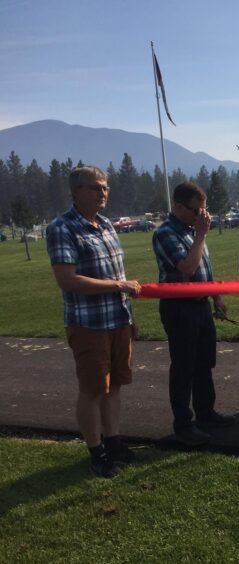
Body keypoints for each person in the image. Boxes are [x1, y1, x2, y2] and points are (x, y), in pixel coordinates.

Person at [46, 166, 141, 478]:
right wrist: (118, 287)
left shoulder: (106, 225)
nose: (103, 193)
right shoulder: (63, 227)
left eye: (105, 187)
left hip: (118, 321)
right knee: (92, 390)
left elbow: (117, 276)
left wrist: (127, 308)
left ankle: (113, 443)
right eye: (95, 188)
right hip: (89, 326)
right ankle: (95, 451)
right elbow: (67, 279)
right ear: (76, 192)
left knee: (114, 388)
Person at [152, 181, 235, 446]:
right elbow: (187, 267)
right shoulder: (166, 233)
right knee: (184, 367)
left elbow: (204, 268)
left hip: (200, 305)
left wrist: (216, 296)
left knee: (204, 363)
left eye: (205, 210)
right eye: (197, 210)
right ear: (178, 207)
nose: (203, 216)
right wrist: (201, 235)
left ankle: (205, 413)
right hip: (179, 308)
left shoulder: (193, 229)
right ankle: (183, 424)